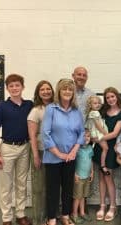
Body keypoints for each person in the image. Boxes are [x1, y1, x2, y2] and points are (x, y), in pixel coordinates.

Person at [0, 74, 33, 225]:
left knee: (21, 183)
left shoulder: (29, 105)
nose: (15, 88)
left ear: (23, 87)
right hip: (7, 148)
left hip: (25, 148)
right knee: (6, 185)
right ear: (7, 88)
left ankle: (21, 214)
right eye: (11, 86)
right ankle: (6, 218)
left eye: (17, 85)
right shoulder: (1, 106)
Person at [42, 78, 85, 225]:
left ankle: (65, 215)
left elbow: (81, 133)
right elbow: (45, 134)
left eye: (70, 89)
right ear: (59, 91)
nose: (67, 92)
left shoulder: (76, 111)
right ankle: (52, 218)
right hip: (53, 158)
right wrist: (59, 154)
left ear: (73, 93)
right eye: (64, 89)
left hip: (71, 157)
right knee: (52, 190)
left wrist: (74, 151)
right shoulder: (51, 109)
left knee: (68, 188)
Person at [92, 87, 121, 222]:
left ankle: (112, 206)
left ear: (117, 97)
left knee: (108, 177)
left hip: (111, 149)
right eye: (107, 97)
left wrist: (98, 138)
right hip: (100, 149)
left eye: (112, 96)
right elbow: (95, 126)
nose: (110, 99)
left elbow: (114, 134)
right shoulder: (102, 112)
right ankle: (102, 205)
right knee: (101, 177)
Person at [27, 80, 54, 225]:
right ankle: (38, 220)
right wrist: (36, 155)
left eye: (48, 89)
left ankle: (50, 218)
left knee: (51, 188)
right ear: (38, 92)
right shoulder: (36, 110)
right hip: (41, 152)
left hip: (55, 153)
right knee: (38, 188)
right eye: (42, 89)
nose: (45, 91)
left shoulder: (56, 107)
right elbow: (32, 136)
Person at [71, 129, 94, 224]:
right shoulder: (77, 149)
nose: (86, 138)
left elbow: (90, 160)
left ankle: (82, 212)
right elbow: (72, 163)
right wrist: (74, 174)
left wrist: (92, 172)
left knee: (83, 196)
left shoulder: (90, 148)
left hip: (87, 176)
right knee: (77, 197)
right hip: (79, 177)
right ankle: (74, 214)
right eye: (83, 136)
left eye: (88, 136)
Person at [85, 95, 109, 175]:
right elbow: (98, 125)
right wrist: (105, 133)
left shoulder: (94, 112)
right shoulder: (94, 113)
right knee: (105, 148)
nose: (98, 105)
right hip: (97, 133)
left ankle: (101, 165)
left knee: (104, 148)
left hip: (95, 133)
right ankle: (102, 165)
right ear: (90, 105)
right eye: (95, 103)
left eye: (99, 103)